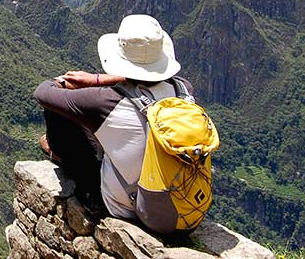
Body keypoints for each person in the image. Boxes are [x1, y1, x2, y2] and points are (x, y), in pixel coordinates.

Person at [33, 14, 194, 220]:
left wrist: (68, 82)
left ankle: (63, 158)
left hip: (128, 206)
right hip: (185, 205)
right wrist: (97, 80)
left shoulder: (106, 103)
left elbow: (42, 92)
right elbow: (143, 80)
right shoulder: (183, 90)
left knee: (60, 110)